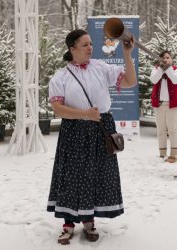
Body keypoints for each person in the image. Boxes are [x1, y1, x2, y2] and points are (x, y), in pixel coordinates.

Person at [47, 29, 137, 245]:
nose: (90, 48)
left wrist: (127, 54)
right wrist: (85, 114)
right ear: (72, 49)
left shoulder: (100, 67)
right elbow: (58, 109)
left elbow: (130, 81)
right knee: (72, 173)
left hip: (101, 128)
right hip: (75, 130)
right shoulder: (61, 77)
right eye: (85, 44)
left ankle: (88, 220)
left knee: (95, 174)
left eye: (90, 44)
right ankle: (68, 223)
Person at [150, 50, 177, 163]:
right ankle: (162, 153)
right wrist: (161, 68)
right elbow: (153, 79)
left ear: (171, 59)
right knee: (161, 130)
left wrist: (168, 68)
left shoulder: (176, 70)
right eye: (163, 58)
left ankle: (173, 155)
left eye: (168, 58)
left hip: (173, 104)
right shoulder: (156, 70)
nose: (166, 60)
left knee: (172, 130)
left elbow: (175, 80)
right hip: (159, 104)